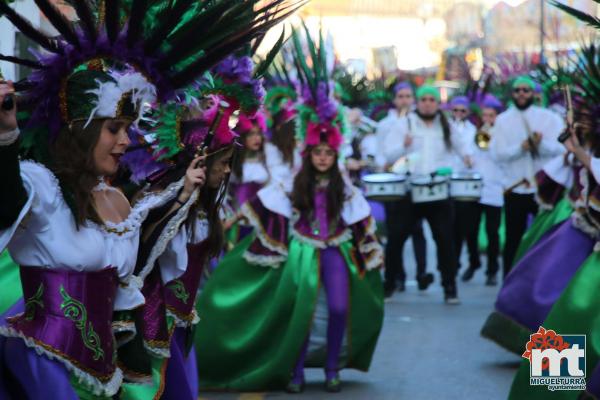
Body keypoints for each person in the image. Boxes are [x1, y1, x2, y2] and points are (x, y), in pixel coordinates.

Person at [193, 27, 384, 393]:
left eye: (329, 152)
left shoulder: (343, 185)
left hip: (335, 249)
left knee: (340, 309)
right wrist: (231, 218)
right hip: (300, 252)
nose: (324, 157)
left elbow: (360, 216)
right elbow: (265, 202)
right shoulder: (295, 182)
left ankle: (332, 369)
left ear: (335, 153)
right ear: (309, 152)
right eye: (319, 152)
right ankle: (295, 371)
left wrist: (372, 250)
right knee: (301, 313)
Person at [379, 85, 470, 304]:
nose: (428, 103)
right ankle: (390, 283)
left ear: (438, 103)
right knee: (396, 239)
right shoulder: (404, 125)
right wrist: (404, 145)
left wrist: (467, 159)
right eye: (423, 99)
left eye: (432, 99)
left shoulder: (447, 125)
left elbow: (464, 149)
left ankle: (450, 287)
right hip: (410, 191)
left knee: (445, 240)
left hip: (438, 191)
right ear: (417, 103)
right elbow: (388, 156)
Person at [489, 76, 565, 276]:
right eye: (517, 90)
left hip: (542, 190)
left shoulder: (549, 118)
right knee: (513, 239)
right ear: (512, 94)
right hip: (515, 188)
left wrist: (541, 144)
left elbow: (561, 149)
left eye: (525, 90)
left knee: (543, 239)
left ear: (533, 93)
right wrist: (521, 148)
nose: (521, 93)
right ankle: (508, 283)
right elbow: (497, 154)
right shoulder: (502, 120)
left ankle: (540, 282)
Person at [375, 82, 429, 295]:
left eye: (408, 96)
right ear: (395, 100)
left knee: (418, 229)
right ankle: (398, 275)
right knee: (395, 233)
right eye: (401, 96)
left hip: (414, 182)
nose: (405, 100)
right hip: (393, 183)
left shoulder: (420, 122)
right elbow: (382, 153)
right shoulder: (386, 125)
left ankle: (422, 273)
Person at [461, 94, 505, 285]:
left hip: (495, 189)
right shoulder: (475, 134)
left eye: (491, 116)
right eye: (485, 116)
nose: (487, 119)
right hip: (476, 188)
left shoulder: (504, 136)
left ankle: (492, 269)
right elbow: (470, 154)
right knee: (470, 229)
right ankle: (473, 262)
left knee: (492, 232)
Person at [448, 95, 481, 280]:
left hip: (468, 182)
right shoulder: (446, 127)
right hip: (452, 182)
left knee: (469, 227)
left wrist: (469, 159)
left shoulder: (472, 130)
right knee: (454, 227)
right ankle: (455, 262)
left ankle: (472, 260)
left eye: (462, 111)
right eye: (455, 110)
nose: (459, 114)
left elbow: (474, 151)